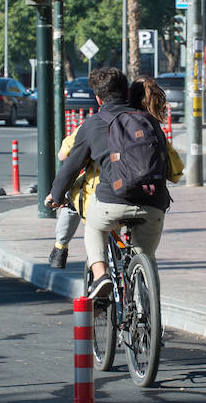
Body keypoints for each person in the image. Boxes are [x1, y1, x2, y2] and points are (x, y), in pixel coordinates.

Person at [46, 68, 175, 298]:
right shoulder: (149, 121)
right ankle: (147, 309)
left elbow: (70, 166)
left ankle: (100, 276)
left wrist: (55, 196)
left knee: (94, 226)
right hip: (154, 203)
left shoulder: (93, 124)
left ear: (98, 98)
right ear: (127, 92)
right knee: (146, 257)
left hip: (112, 202)